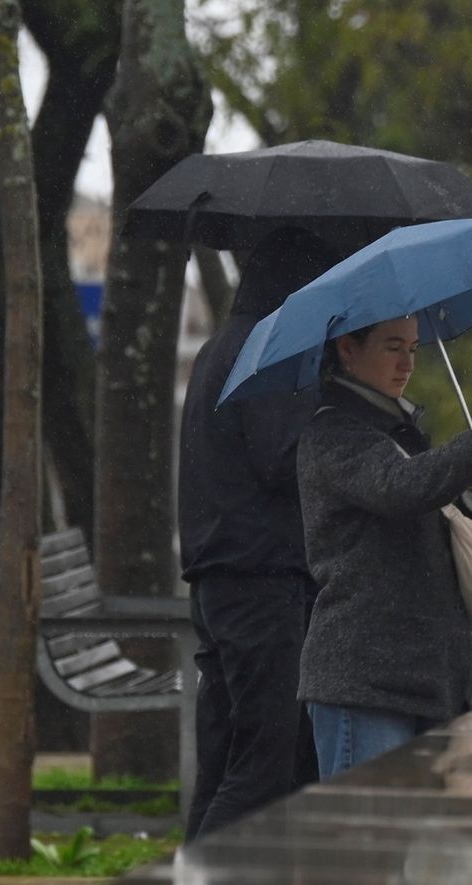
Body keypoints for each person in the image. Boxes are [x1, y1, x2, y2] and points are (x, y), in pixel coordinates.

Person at [296, 316, 472, 778]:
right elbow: (402, 488)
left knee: (420, 841)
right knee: (370, 842)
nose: (406, 364)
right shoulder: (333, 433)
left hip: (427, 672)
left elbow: (425, 529)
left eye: (413, 349)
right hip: (365, 677)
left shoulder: (397, 431)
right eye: (393, 347)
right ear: (347, 349)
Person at [177, 227, 338, 840]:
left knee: (225, 761)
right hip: (261, 580)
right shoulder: (271, 352)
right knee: (264, 765)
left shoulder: (223, 346)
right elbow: (283, 456)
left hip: (219, 577)